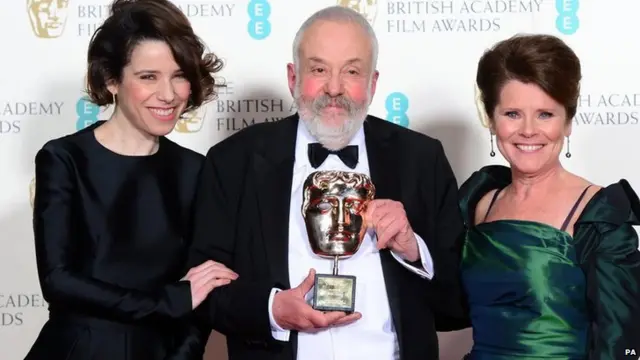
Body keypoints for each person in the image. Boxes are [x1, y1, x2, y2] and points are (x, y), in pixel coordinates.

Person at [186, 5, 467, 360]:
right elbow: (203, 292)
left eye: (352, 71)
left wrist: (414, 250)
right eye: (319, 69)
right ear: (293, 77)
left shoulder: (421, 159)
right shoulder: (233, 161)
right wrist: (272, 310)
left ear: (373, 82)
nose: (334, 88)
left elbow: (459, 301)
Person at [25, 1, 237, 359]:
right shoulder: (64, 159)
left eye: (179, 74)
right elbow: (58, 281)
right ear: (111, 80)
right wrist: (168, 301)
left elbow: (201, 296)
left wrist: (182, 354)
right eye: (148, 77)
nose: (169, 94)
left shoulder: (196, 171)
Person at [460, 33, 640, 359]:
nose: (528, 130)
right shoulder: (479, 202)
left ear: (568, 121)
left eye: (545, 114)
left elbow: (618, 342)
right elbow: (447, 308)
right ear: (491, 118)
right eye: (512, 113)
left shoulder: (598, 215)